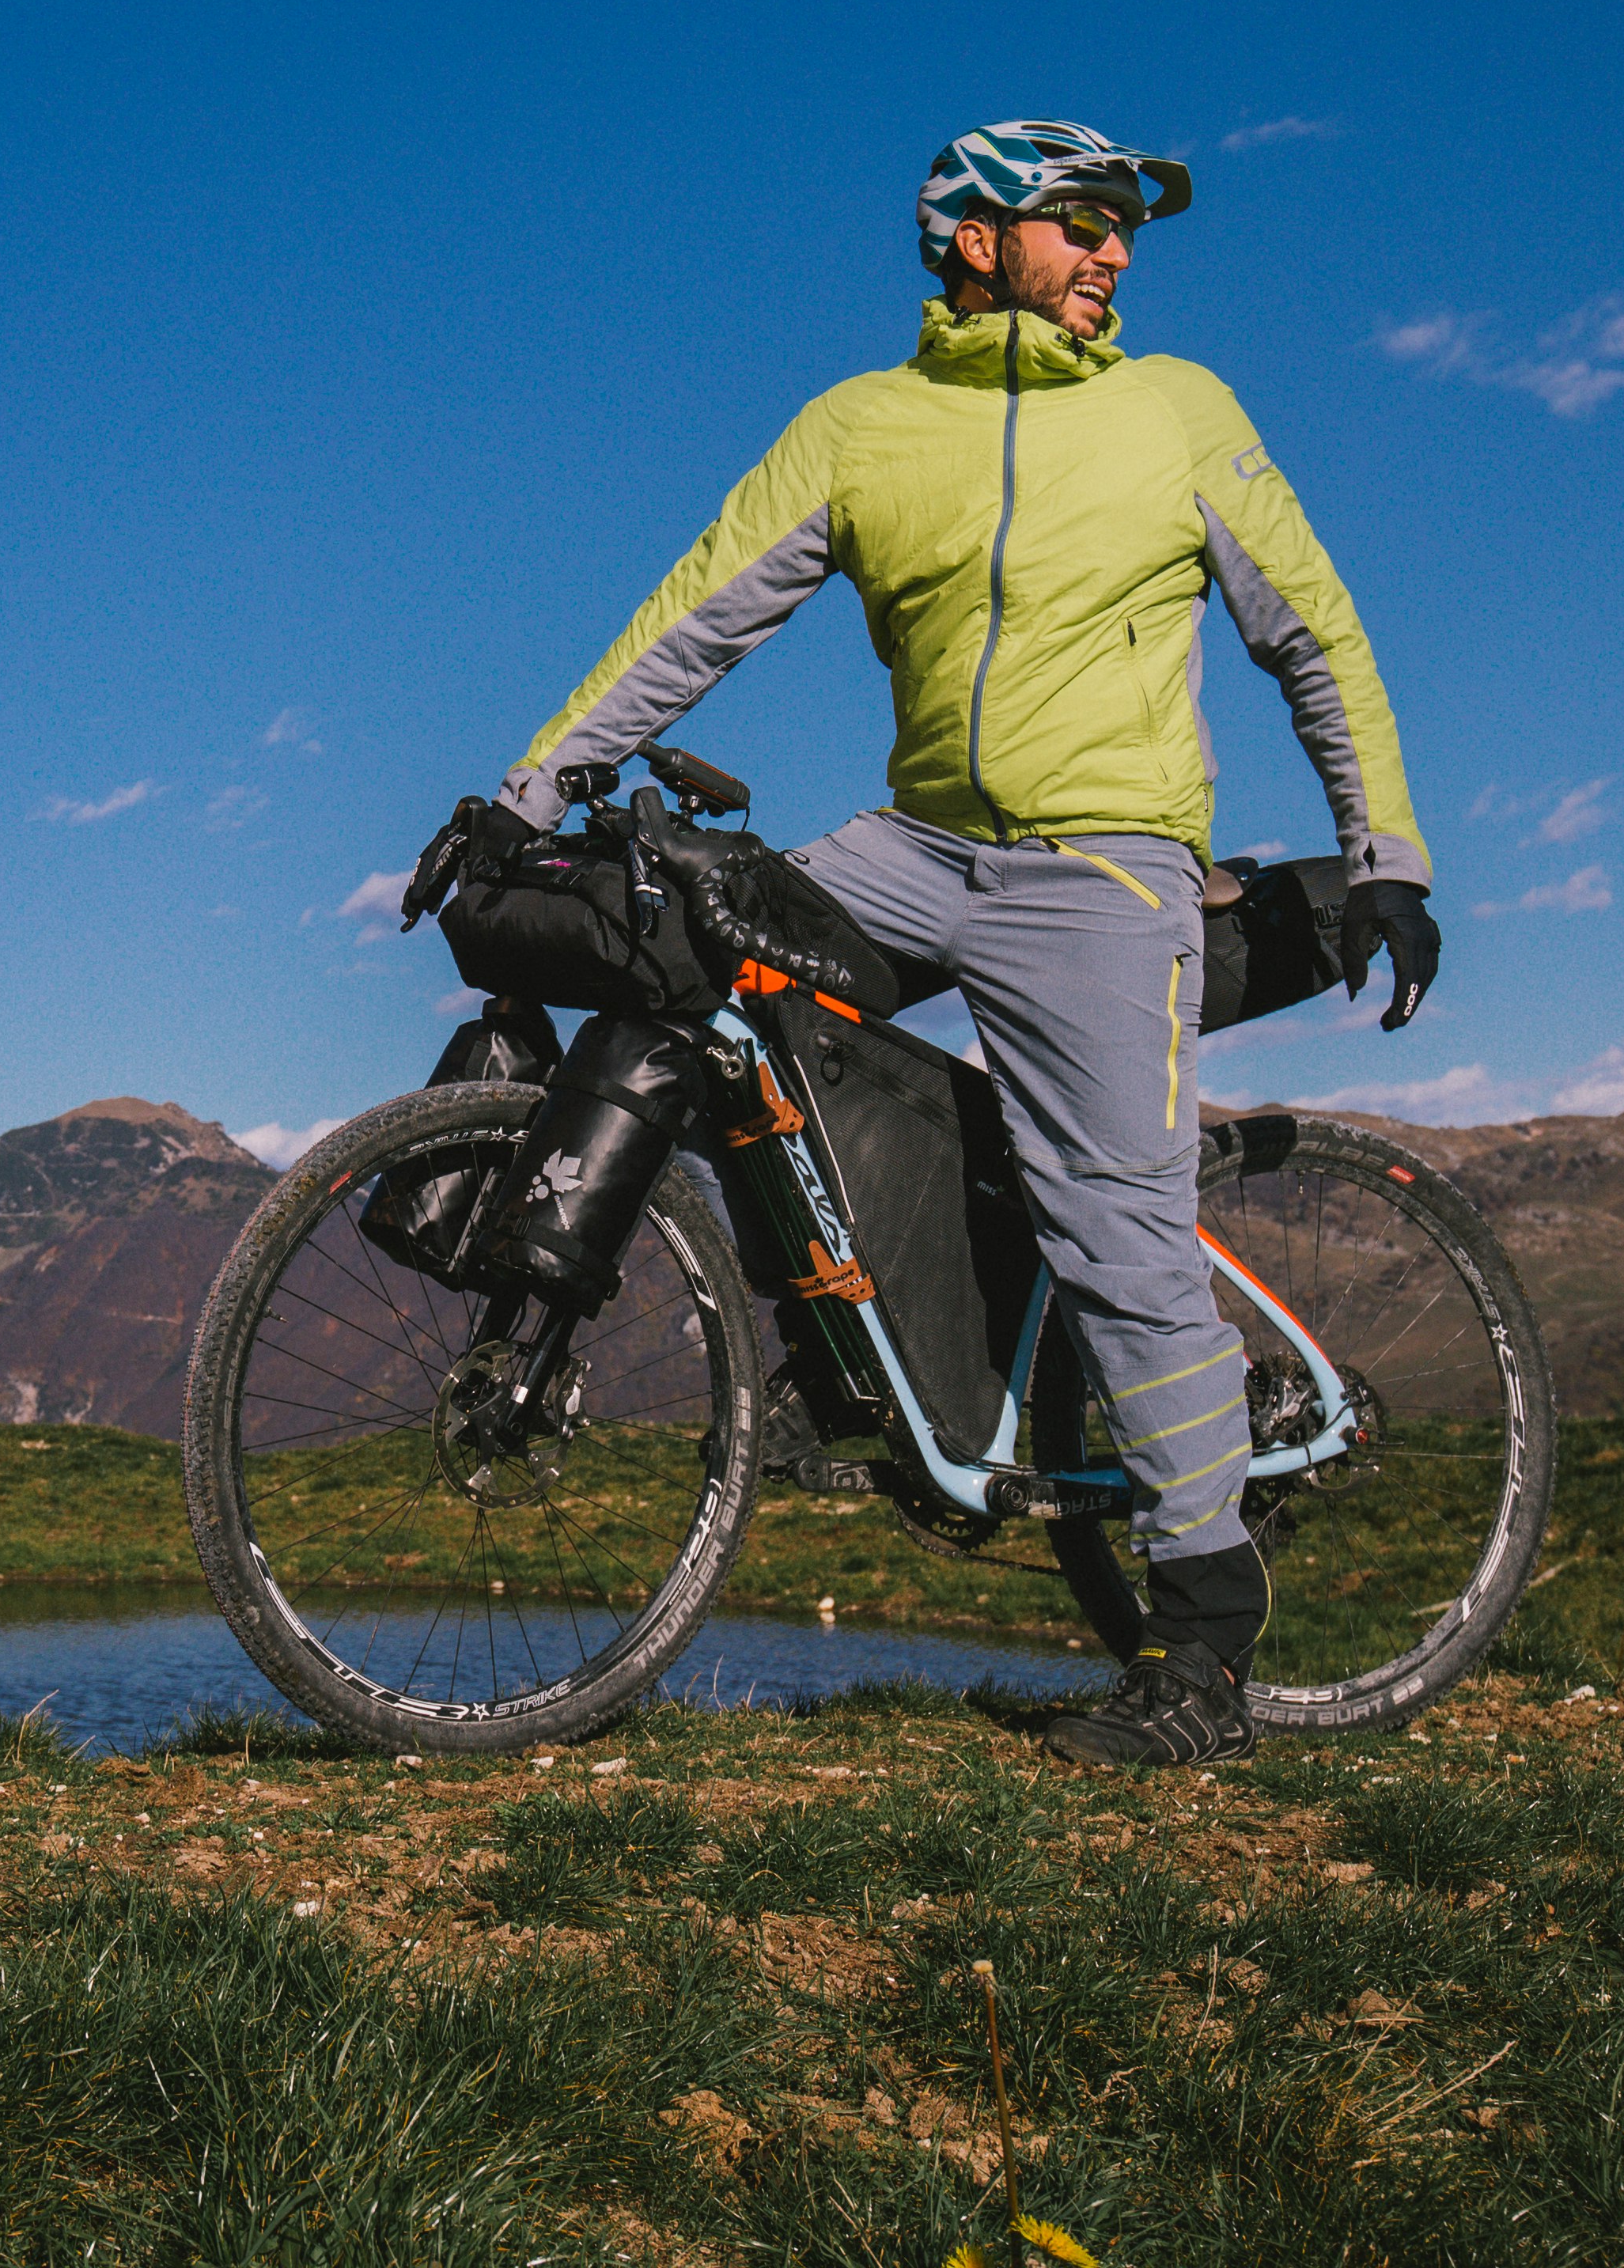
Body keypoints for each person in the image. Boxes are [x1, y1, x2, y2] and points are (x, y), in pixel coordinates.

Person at [495, 117, 1437, 1769]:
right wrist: (536, 788)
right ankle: (843, 1354)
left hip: (1105, 869)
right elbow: (700, 605)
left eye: (1127, 225)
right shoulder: (863, 428)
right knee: (692, 961)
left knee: (1117, 1222)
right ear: (973, 235)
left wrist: (1389, 853)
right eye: (1084, 219)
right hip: (925, 845)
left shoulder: (1179, 409)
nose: (1117, 251)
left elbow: (1318, 628)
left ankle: (1201, 1643)